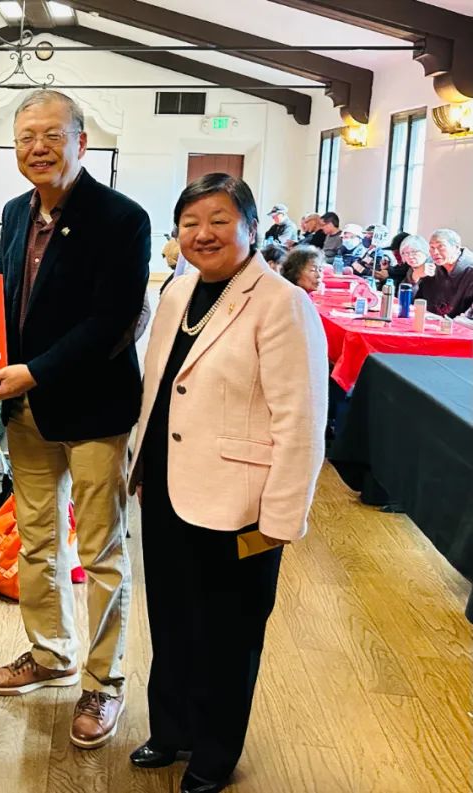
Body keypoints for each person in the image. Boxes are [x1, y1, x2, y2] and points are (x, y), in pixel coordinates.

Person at [127, 173, 327, 793]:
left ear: (251, 227)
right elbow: (161, 388)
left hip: (242, 502)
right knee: (172, 618)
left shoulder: (281, 302)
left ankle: (214, 752)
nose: (203, 234)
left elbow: (301, 419)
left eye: (219, 220)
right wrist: (140, 465)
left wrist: (282, 517)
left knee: (229, 633)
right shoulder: (177, 292)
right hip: (167, 487)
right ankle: (172, 729)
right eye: (190, 223)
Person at [0, 89, 149, 750]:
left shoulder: (121, 217)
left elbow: (112, 321)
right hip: (26, 406)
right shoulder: (14, 212)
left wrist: (35, 370)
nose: (38, 147)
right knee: (38, 538)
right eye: (26, 137)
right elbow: (8, 302)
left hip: (95, 408)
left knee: (101, 550)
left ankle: (105, 681)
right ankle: (51, 653)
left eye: (53, 134)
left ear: (82, 141)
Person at [417, 228, 473, 318]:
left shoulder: (470, 269)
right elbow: (412, 301)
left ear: (456, 247)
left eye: (441, 246)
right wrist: (415, 276)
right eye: (432, 247)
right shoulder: (430, 265)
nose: (435, 252)